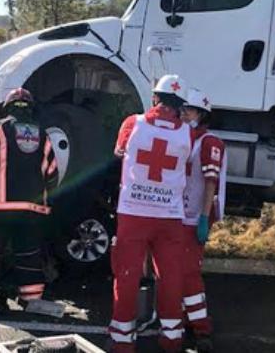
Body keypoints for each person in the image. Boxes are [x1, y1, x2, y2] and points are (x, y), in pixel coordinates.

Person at [109, 74, 192, 353]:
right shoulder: (187, 132)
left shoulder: (134, 123)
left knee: (127, 274)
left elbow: (119, 152)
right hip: (170, 214)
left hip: (134, 211)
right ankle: (172, 338)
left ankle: (122, 341)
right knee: (170, 275)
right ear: (180, 104)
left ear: (155, 97)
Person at [0, 88, 58, 304]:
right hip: (31, 212)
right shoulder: (42, 133)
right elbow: (52, 173)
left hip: (0, 209)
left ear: (7, 107)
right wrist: (47, 205)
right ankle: (31, 299)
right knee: (28, 255)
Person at [180, 89, 227, 352]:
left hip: (193, 217)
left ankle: (201, 329)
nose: (184, 113)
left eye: (190, 110)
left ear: (202, 114)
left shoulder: (209, 142)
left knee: (189, 273)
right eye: (183, 108)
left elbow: (211, 183)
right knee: (176, 271)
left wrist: (202, 218)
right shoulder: (186, 138)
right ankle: (185, 320)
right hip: (179, 216)